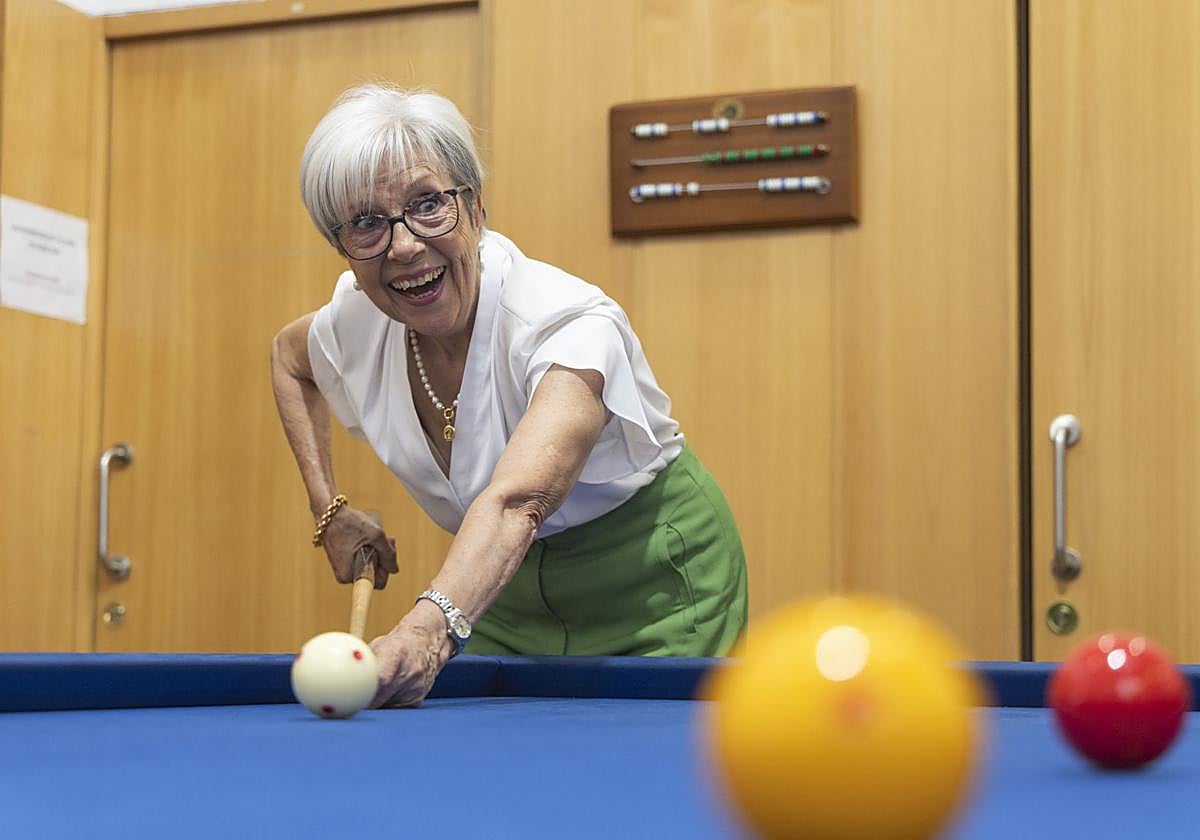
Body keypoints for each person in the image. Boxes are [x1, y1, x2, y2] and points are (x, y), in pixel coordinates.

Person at [271, 83, 747, 708]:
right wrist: (328, 509)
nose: (405, 244)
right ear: (342, 247)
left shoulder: (567, 322)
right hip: (501, 588)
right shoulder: (354, 323)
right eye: (366, 223)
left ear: (474, 206)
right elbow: (288, 358)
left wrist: (423, 630)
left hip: (651, 582)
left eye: (428, 204)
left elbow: (518, 501)